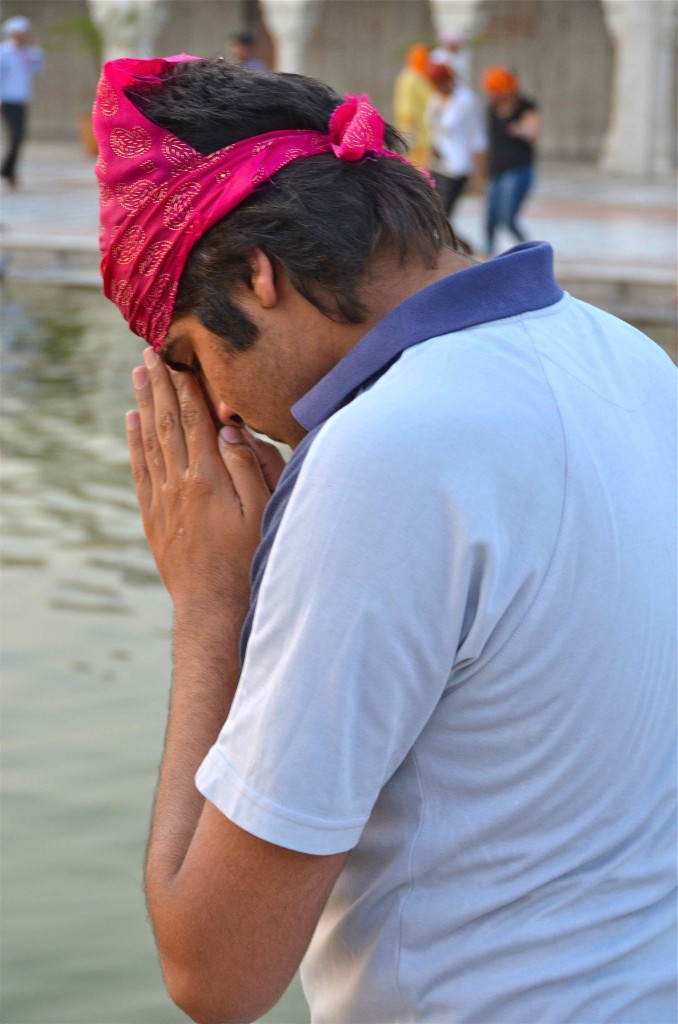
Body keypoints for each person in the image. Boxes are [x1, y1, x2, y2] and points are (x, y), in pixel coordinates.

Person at [94, 55, 677, 1024]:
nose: (225, 416)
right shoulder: (625, 354)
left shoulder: (389, 452)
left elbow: (216, 972)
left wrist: (211, 604)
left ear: (257, 275)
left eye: (196, 360)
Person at [426, 61, 486, 248]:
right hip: (437, 165)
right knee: (434, 215)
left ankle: (458, 250)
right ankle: (461, 247)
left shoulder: (466, 101)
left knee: (443, 215)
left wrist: (479, 174)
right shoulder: (435, 99)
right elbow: (434, 131)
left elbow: (479, 138)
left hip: (457, 167)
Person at [482, 65, 540, 254]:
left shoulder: (525, 106)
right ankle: (488, 254)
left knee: (507, 219)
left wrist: (521, 130)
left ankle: (530, 252)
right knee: (490, 218)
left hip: (517, 169)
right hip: (496, 170)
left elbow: (535, 132)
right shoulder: (491, 108)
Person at [0, 15, 43, 189]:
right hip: (6, 100)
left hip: (21, 99)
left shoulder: (29, 53)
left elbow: (37, 69)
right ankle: (7, 171)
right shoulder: (4, 52)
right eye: (21, 33)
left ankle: (8, 171)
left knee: (19, 137)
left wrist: (32, 50)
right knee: (16, 137)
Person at [392, 42, 432, 170]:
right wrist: (410, 131)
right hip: (415, 132)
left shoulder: (422, 76)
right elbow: (406, 106)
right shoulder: (410, 78)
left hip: (425, 132)